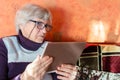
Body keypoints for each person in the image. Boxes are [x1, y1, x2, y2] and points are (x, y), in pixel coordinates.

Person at [0, 4, 78, 80]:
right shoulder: (5, 45)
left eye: (46, 26)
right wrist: (23, 78)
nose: (44, 31)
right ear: (22, 24)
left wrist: (72, 77)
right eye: (39, 24)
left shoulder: (52, 47)